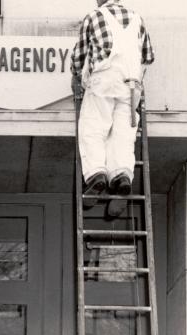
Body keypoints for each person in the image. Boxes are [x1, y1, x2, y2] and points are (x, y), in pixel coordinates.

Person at [70, 0, 154, 197]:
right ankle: (122, 174)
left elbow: (78, 56)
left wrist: (75, 75)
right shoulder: (137, 18)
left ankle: (96, 173)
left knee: (93, 127)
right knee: (123, 132)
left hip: (104, 81)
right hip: (131, 85)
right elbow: (148, 56)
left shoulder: (94, 16)